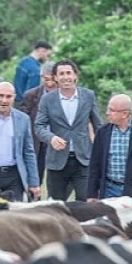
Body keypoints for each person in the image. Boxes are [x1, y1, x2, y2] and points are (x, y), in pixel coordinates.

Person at [35, 59, 102, 201]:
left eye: (68, 73)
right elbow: (39, 126)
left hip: (83, 160)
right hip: (57, 161)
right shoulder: (47, 100)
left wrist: (100, 151)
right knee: (56, 205)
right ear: (55, 78)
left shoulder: (88, 96)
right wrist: (51, 138)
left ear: (75, 75)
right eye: (61, 74)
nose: (66, 77)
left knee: (86, 202)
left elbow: (98, 126)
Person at [18, 62, 56, 186]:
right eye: (46, 79)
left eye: (52, 79)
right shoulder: (31, 95)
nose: (49, 83)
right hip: (37, 142)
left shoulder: (64, 95)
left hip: (57, 140)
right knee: (35, 178)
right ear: (41, 77)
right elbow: (23, 120)